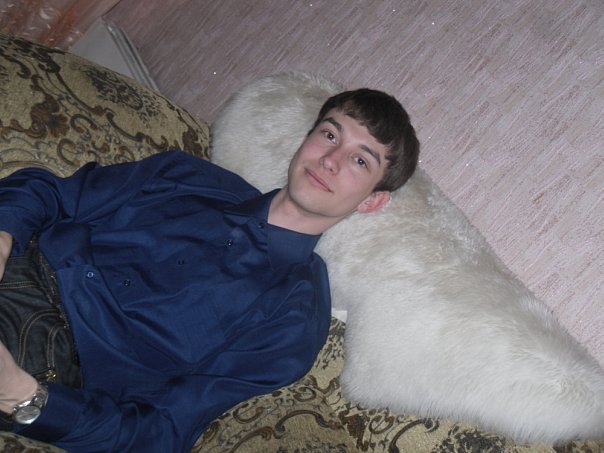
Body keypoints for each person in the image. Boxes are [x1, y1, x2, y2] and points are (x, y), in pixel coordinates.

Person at [0, 88, 420, 452]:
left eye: (359, 161)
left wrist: (25, 397)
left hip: (47, 355)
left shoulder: (294, 316)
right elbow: (50, 192)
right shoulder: (188, 175)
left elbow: (162, 431)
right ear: (306, 139)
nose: (330, 160)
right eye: (329, 135)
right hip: (19, 261)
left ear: (371, 201)